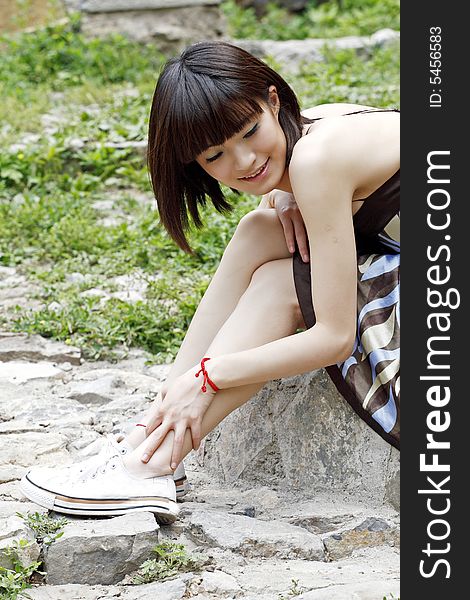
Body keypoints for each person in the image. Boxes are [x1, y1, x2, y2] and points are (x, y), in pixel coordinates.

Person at [20, 41, 400, 524]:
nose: (243, 162)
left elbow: (334, 337)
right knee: (258, 229)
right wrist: (285, 199)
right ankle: (150, 428)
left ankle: (156, 460)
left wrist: (209, 376)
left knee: (281, 285)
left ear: (273, 100)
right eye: (216, 155)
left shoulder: (317, 160)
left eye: (250, 132)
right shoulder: (308, 137)